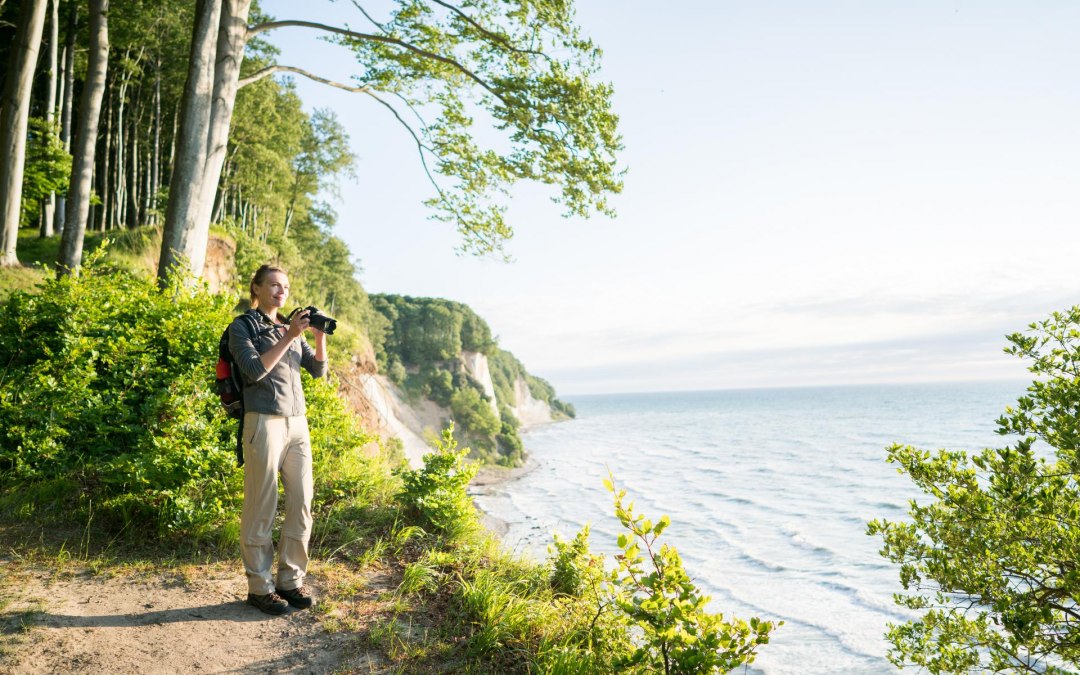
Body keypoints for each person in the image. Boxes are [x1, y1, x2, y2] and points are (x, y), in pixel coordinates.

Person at [228, 264, 327, 615]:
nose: (280, 291)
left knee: (302, 501)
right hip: (263, 422)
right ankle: (259, 587)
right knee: (262, 504)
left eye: (284, 286)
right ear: (256, 288)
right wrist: (288, 336)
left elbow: (317, 370)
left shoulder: (291, 329)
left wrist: (316, 335)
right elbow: (254, 371)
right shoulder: (243, 327)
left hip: (297, 424)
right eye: (273, 284)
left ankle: (290, 580)